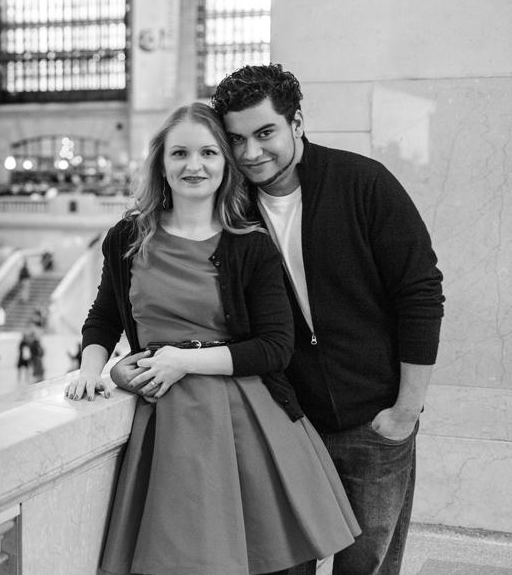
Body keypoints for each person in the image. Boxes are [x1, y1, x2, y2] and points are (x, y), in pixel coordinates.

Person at [65, 102, 359, 574]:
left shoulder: (250, 243)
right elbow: (104, 317)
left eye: (208, 153)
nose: (193, 166)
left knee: (269, 561)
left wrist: (182, 362)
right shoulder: (127, 238)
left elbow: (275, 346)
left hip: (251, 421)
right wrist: (89, 369)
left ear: (225, 164)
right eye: (179, 153)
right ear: (161, 162)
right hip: (168, 427)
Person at [211, 65, 445, 575]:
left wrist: (405, 411)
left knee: (367, 564)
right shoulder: (229, 211)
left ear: (296, 123)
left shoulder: (363, 182)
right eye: (236, 140)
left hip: (375, 419)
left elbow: (421, 294)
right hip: (287, 422)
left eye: (265, 133)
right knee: (281, 564)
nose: (251, 153)